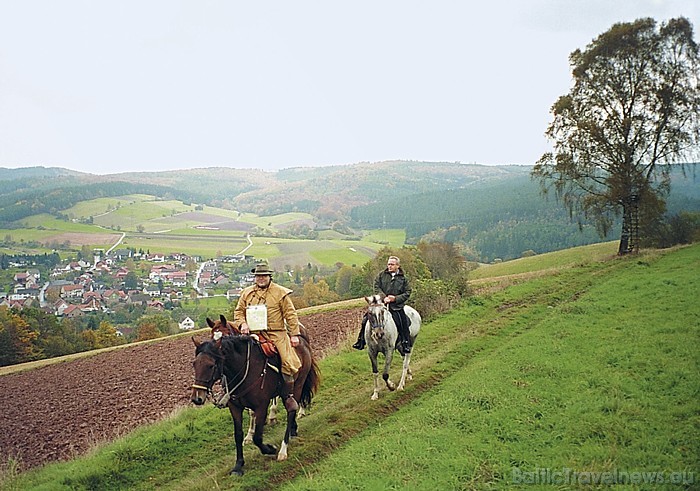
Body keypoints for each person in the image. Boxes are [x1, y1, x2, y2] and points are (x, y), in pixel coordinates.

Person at [233, 262, 302, 412]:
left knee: (287, 361)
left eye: (264, 275)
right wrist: (242, 324)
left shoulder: (280, 293)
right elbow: (238, 312)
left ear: (269, 276)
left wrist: (295, 334)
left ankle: (288, 396)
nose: (261, 278)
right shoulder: (246, 293)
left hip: (275, 333)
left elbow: (290, 314)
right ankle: (233, 393)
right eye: (258, 276)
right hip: (252, 333)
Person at [352, 255, 413, 353]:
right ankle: (360, 341)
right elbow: (376, 286)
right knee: (365, 320)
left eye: (392, 264)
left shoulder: (403, 279)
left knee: (403, 323)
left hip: (396, 307)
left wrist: (395, 299)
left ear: (398, 266)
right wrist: (384, 297)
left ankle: (405, 343)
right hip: (381, 305)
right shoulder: (381, 275)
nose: (389, 266)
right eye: (388, 264)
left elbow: (407, 292)